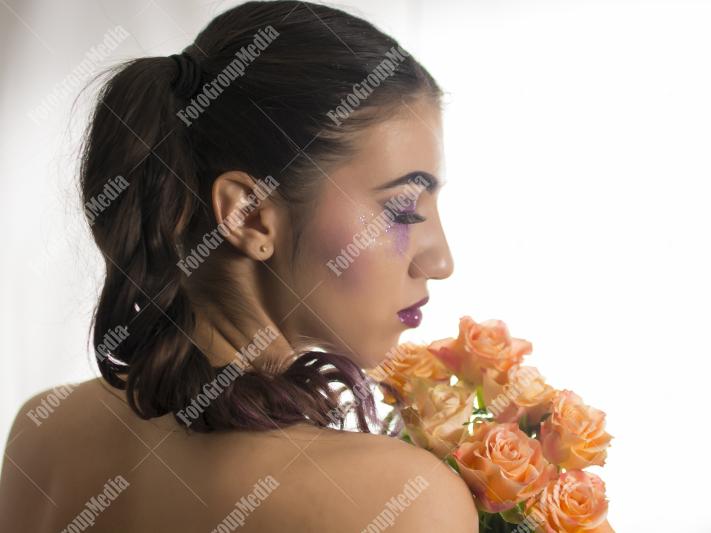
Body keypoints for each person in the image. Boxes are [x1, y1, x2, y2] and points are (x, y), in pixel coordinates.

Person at [0, 1, 479, 531]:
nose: (441, 261)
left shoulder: (42, 435)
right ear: (248, 216)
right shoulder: (407, 499)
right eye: (402, 208)